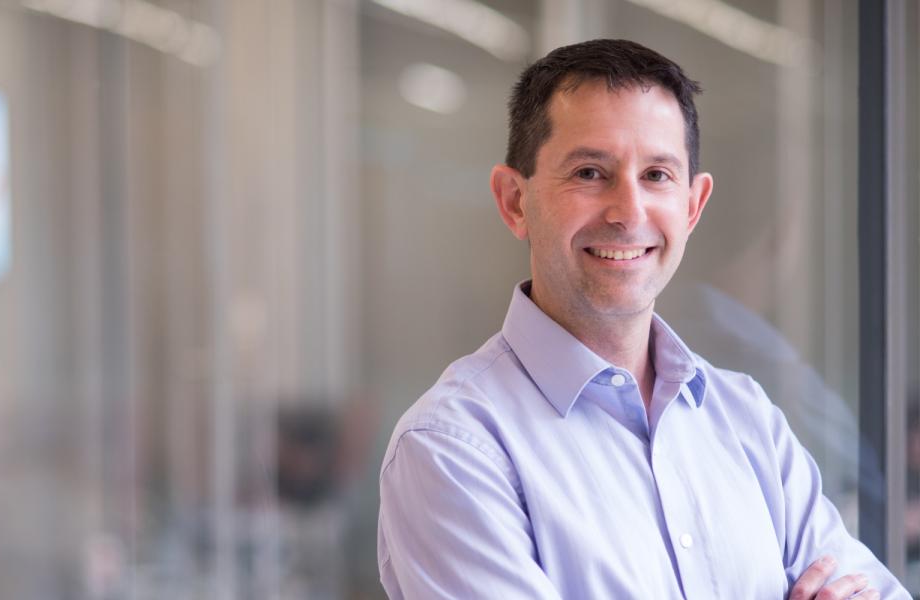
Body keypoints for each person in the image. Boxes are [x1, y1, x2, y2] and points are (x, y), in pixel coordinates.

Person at [376, 39, 907, 599]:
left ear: (693, 205)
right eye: (588, 172)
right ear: (514, 200)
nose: (628, 212)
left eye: (656, 175)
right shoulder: (451, 448)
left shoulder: (747, 420)